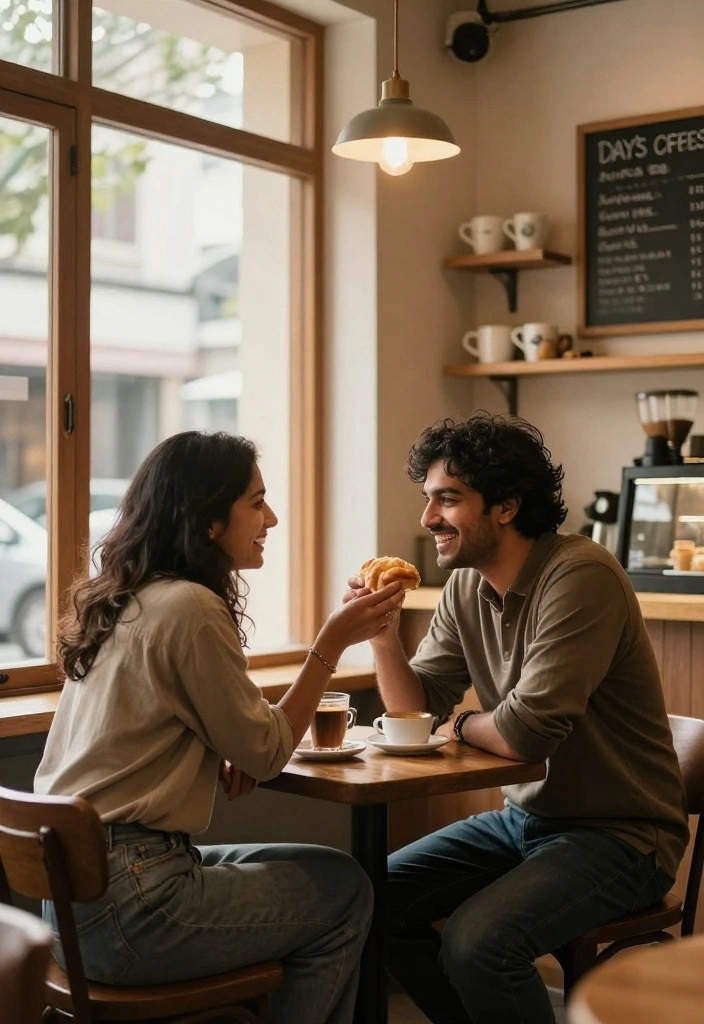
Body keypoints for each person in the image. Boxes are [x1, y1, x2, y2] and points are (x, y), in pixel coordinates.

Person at [35, 430, 405, 1024]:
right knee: (348, 893)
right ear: (208, 520)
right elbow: (268, 755)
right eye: (257, 501)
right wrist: (330, 643)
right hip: (135, 905)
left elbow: (174, 728)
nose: (273, 517)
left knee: (336, 872)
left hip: (74, 907)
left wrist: (222, 744)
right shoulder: (190, 608)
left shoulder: (129, 599)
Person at [346, 413, 689, 1024]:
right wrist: (381, 637)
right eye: (428, 500)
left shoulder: (580, 575)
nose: (428, 520)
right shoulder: (465, 587)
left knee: (479, 944)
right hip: (523, 821)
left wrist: (456, 726)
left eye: (447, 500)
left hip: (624, 838)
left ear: (506, 506)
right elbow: (414, 710)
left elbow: (527, 734)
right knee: (368, 899)